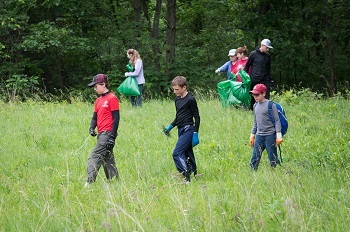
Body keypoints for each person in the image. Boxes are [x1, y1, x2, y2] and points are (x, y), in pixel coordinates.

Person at [163, 76, 201, 183]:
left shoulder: (190, 99)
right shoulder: (177, 100)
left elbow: (197, 117)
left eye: (177, 89)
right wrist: (170, 127)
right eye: (173, 89)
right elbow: (179, 116)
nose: (174, 92)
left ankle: (186, 176)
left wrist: (195, 133)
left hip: (189, 130)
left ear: (184, 87)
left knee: (177, 153)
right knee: (187, 152)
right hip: (180, 129)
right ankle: (194, 173)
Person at [85, 74, 120, 187]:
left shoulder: (112, 98)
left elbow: (116, 118)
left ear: (103, 84)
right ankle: (114, 181)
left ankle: (89, 182)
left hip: (108, 133)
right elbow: (95, 117)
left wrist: (112, 137)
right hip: (101, 134)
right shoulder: (98, 100)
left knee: (94, 156)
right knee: (107, 158)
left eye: (96, 86)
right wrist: (91, 127)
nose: (95, 89)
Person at [249, 84, 283, 170]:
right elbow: (255, 122)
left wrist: (278, 134)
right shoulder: (255, 105)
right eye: (253, 94)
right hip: (259, 135)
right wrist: (252, 134)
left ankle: (277, 172)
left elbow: (277, 120)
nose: (255, 96)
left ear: (263, 94)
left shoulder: (271, 105)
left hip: (270, 135)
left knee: (272, 157)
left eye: (257, 94)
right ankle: (252, 172)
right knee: (255, 157)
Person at [244, 39, 273, 110]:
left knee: (266, 95)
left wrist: (271, 80)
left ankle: (265, 110)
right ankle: (253, 110)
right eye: (267, 48)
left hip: (265, 79)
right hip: (255, 79)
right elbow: (247, 66)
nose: (268, 49)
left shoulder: (268, 56)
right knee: (254, 96)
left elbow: (268, 69)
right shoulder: (253, 54)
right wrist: (245, 78)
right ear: (262, 46)